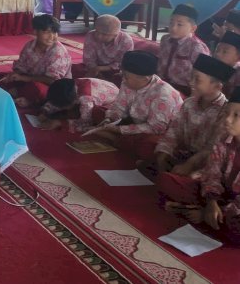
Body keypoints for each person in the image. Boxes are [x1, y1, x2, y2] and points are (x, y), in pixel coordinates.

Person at [150, 55, 233, 205]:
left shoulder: (225, 112)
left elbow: (212, 149)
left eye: (197, 79)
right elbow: (173, 132)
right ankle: (170, 179)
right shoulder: (188, 103)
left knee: (187, 180)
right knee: (151, 151)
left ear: (217, 86)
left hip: (206, 166)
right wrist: (163, 155)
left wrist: (189, 165)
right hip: (182, 156)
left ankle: (180, 188)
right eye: (191, 77)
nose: (191, 82)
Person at [165, 87, 240, 245]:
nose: (227, 120)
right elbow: (212, 174)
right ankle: (206, 217)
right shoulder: (224, 141)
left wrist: (209, 211)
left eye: (236, 115)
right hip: (221, 194)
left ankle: (200, 215)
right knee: (172, 181)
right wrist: (212, 202)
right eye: (227, 113)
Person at [92, 51, 183, 160]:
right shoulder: (127, 82)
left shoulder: (163, 95)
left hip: (160, 131)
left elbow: (156, 128)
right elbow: (119, 106)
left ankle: (116, 139)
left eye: (126, 76)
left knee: (147, 146)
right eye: (123, 75)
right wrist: (109, 119)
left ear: (145, 78)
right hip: (134, 121)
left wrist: (119, 130)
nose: (123, 79)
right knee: (97, 112)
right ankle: (118, 138)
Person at [0, 14, 72, 108]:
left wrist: (24, 79)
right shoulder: (29, 46)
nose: (52, 37)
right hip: (30, 80)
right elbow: (21, 67)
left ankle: (22, 96)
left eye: (54, 32)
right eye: (46, 32)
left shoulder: (58, 52)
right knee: (0, 77)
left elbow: (52, 81)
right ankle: (21, 95)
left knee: (37, 89)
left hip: (53, 87)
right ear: (35, 32)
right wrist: (14, 75)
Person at [158, 4, 210, 96]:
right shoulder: (165, 39)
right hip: (161, 83)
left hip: (183, 89)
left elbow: (203, 75)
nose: (173, 28)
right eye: (171, 23)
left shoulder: (196, 47)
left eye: (179, 24)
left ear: (193, 28)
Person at [37, 77, 120, 133]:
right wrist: (45, 111)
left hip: (115, 101)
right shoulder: (71, 85)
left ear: (72, 103)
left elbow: (86, 122)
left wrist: (60, 123)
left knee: (97, 115)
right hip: (103, 89)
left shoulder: (86, 100)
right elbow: (57, 96)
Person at [72, 14, 133, 83]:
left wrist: (101, 69)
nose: (99, 36)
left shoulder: (126, 41)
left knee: (126, 79)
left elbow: (123, 63)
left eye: (104, 34)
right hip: (95, 68)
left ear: (115, 35)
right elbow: (88, 59)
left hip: (115, 70)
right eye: (97, 31)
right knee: (74, 70)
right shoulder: (90, 36)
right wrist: (96, 71)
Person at [215, 30, 240, 95]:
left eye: (225, 52)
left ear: (238, 57)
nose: (218, 54)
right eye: (217, 50)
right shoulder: (214, 67)